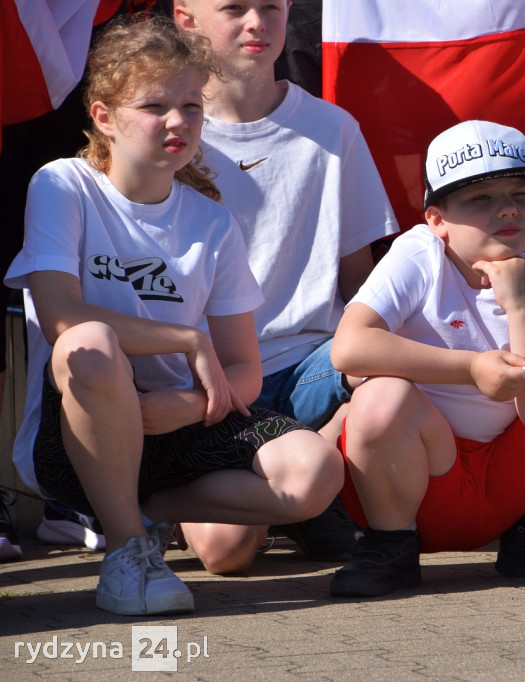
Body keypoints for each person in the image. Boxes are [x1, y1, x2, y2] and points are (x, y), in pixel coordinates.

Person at [3, 17, 344, 615]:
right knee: (90, 342)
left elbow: (242, 369)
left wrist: (187, 404)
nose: (178, 122)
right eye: (155, 105)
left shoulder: (212, 223)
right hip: (72, 442)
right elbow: (59, 317)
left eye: (191, 105)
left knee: (314, 473)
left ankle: (146, 513)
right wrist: (185, 338)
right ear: (104, 116)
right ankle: (127, 550)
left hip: (177, 427)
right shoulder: (64, 185)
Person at [328, 120, 525, 598]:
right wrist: (472, 369)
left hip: (510, 485)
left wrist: (520, 305)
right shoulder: (417, 255)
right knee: (379, 395)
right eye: (480, 200)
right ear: (436, 220)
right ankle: (389, 547)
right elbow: (349, 348)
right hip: (421, 478)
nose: (507, 210)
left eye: (519, 193)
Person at [172, 0, 398, 571]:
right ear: (184, 18)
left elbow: (361, 287)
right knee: (226, 555)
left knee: (387, 369)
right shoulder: (168, 134)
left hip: (310, 367)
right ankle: (306, 497)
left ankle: (318, 485)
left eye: (271, 6)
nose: (257, 22)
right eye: (233, 8)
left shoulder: (333, 128)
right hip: (211, 382)